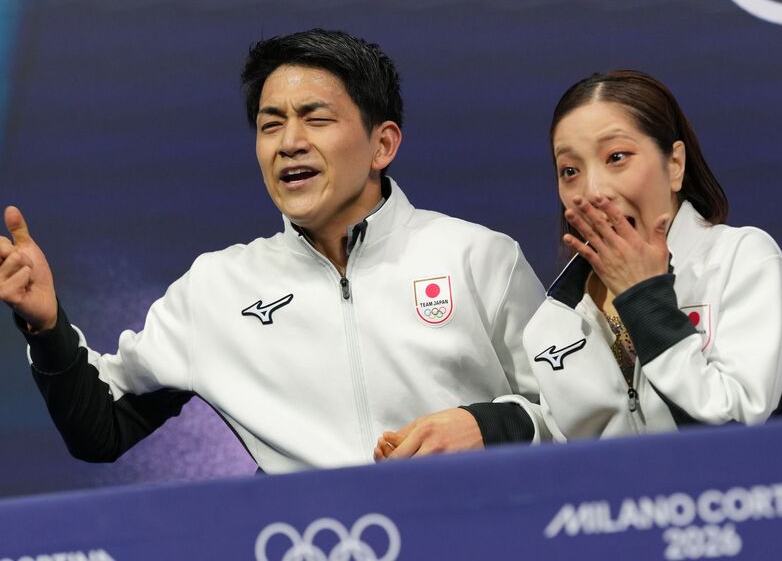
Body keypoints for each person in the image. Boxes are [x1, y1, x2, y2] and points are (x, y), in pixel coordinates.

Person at [0, 29, 545, 472]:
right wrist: (46, 327)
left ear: (382, 144)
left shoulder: (478, 258)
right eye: (271, 125)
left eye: (316, 118)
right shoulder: (216, 289)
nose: (289, 143)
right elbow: (101, 429)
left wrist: (489, 426)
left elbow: (575, 414)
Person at [376, 69, 782, 457]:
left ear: (674, 165)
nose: (593, 191)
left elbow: (735, 431)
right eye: (570, 171)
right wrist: (488, 425)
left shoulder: (741, 259)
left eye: (616, 157)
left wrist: (644, 299)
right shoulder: (552, 323)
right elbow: (566, 447)